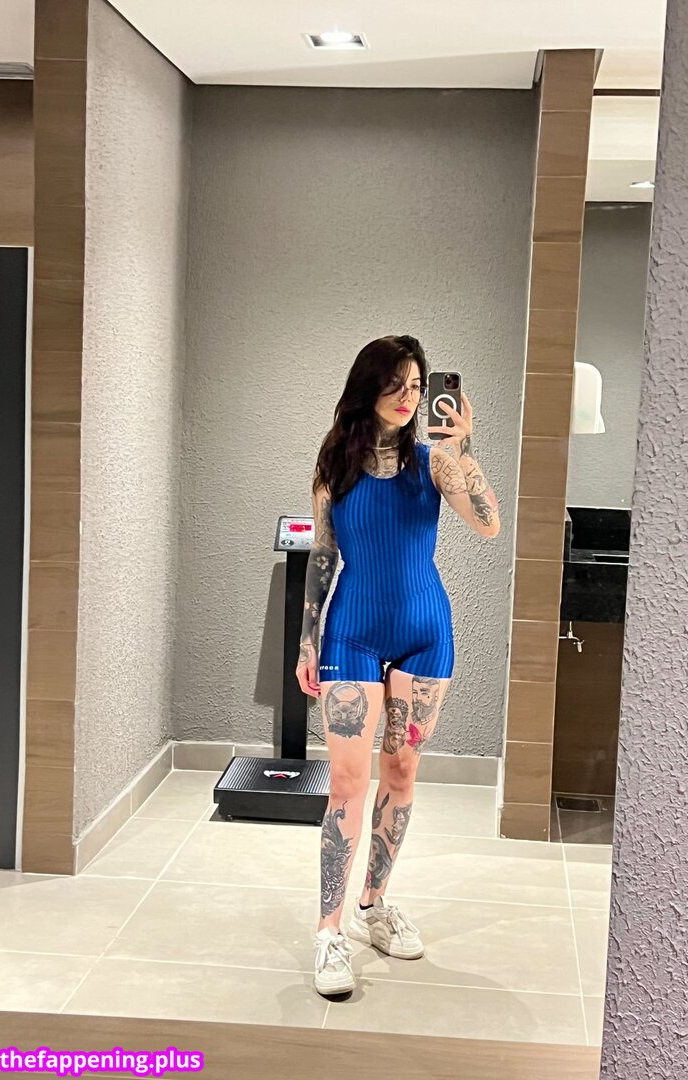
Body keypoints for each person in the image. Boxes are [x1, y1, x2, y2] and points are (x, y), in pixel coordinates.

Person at [295, 335, 500, 997]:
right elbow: (323, 556)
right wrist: (306, 641)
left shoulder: (433, 462)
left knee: (403, 770)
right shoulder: (336, 461)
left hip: (423, 632)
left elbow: (488, 523)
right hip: (351, 631)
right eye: (396, 383)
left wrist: (463, 448)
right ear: (369, 387)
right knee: (346, 782)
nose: (409, 396)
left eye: (416, 384)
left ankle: (373, 904)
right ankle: (328, 932)